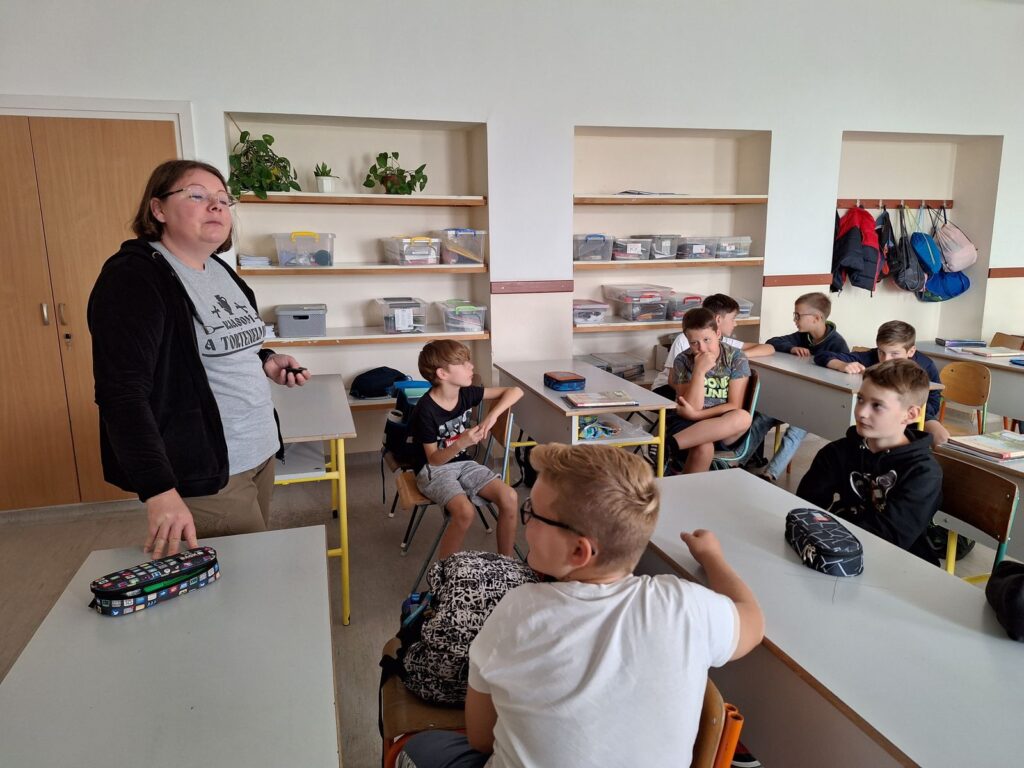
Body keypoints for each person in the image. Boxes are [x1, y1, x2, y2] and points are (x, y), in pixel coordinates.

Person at [397, 443, 764, 768]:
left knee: (417, 748)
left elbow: (480, 738)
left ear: (579, 551)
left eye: (533, 513)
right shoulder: (686, 605)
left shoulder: (518, 611)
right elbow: (752, 619)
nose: (525, 522)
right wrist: (712, 557)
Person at [88, 160, 308, 559]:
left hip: (258, 451)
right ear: (158, 209)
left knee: (253, 568)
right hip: (206, 472)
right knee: (243, 577)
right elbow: (121, 395)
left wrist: (267, 359)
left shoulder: (219, 270)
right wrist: (158, 489)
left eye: (223, 198)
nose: (216, 205)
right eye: (197, 195)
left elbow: (218, 345)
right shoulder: (133, 278)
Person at [796, 359, 942, 564]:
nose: (861, 412)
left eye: (877, 406)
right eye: (861, 399)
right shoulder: (837, 452)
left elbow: (890, 538)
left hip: (899, 564)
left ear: (910, 415)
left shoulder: (923, 473)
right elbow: (804, 508)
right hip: (837, 551)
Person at [409, 340, 523, 559]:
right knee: (465, 512)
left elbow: (515, 391)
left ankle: (506, 564)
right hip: (433, 470)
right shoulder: (425, 410)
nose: (471, 366)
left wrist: (492, 416)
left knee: (509, 496)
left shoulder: (467, 393)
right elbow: (433, 460)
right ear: (442, 373)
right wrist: (461, 442)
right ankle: (445, 572)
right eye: (462, 363)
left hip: (463, 463)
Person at [744, 291, 850, 481]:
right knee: (762, 418)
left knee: (795, 431)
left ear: (817, 318)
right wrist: (791, 348)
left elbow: (842, 380)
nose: (795, 320)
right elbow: (773, 342)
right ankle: (736, 461)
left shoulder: (837, 344)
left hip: (818, 405)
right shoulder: (803, 337)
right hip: (795, 399)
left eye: (798, 315)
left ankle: (770, 474)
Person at [814, 320, 950, 446]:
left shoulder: (926, 365)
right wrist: (841, 365)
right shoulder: (871, 356)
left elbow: (934, 399)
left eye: (894, 354)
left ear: (911, 351)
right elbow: (822, 355)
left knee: (941, 438)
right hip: (877, 411)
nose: (885, 359)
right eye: (881, 352)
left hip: (913, 413)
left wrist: (906, 412)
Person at [668, 307, 752, 473]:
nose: (702, 348)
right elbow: (692, 406)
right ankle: (686, 486)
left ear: (718, 334)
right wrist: (699, 371)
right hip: (687, 425)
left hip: (721, 425)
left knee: (743, 417)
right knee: (703, 447)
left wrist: (696, 415)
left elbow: (734, 405)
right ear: (687, 340)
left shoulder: (736, 357)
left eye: (707, 340)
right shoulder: (682, 360)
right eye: (694, 343)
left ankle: (668, 446)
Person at [651, 293, 774, 396]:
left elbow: (768, 348)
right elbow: (672, 380)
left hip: (704, 391)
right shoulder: (684, 340)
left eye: (707, 340)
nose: (735, 324)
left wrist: (738, 356)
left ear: (717, 334)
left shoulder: (724, 342)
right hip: (669, 388)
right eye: (733, 318)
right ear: (718, 319)